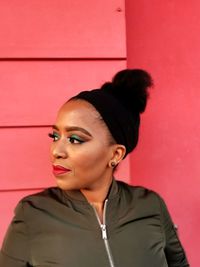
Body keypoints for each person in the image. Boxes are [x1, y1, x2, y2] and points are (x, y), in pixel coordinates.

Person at [0, 69, 189, 267]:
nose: (56, 150)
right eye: (55, 136)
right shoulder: (33, 214)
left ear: (115, 154)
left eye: (74, 139)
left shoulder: (150, 206)